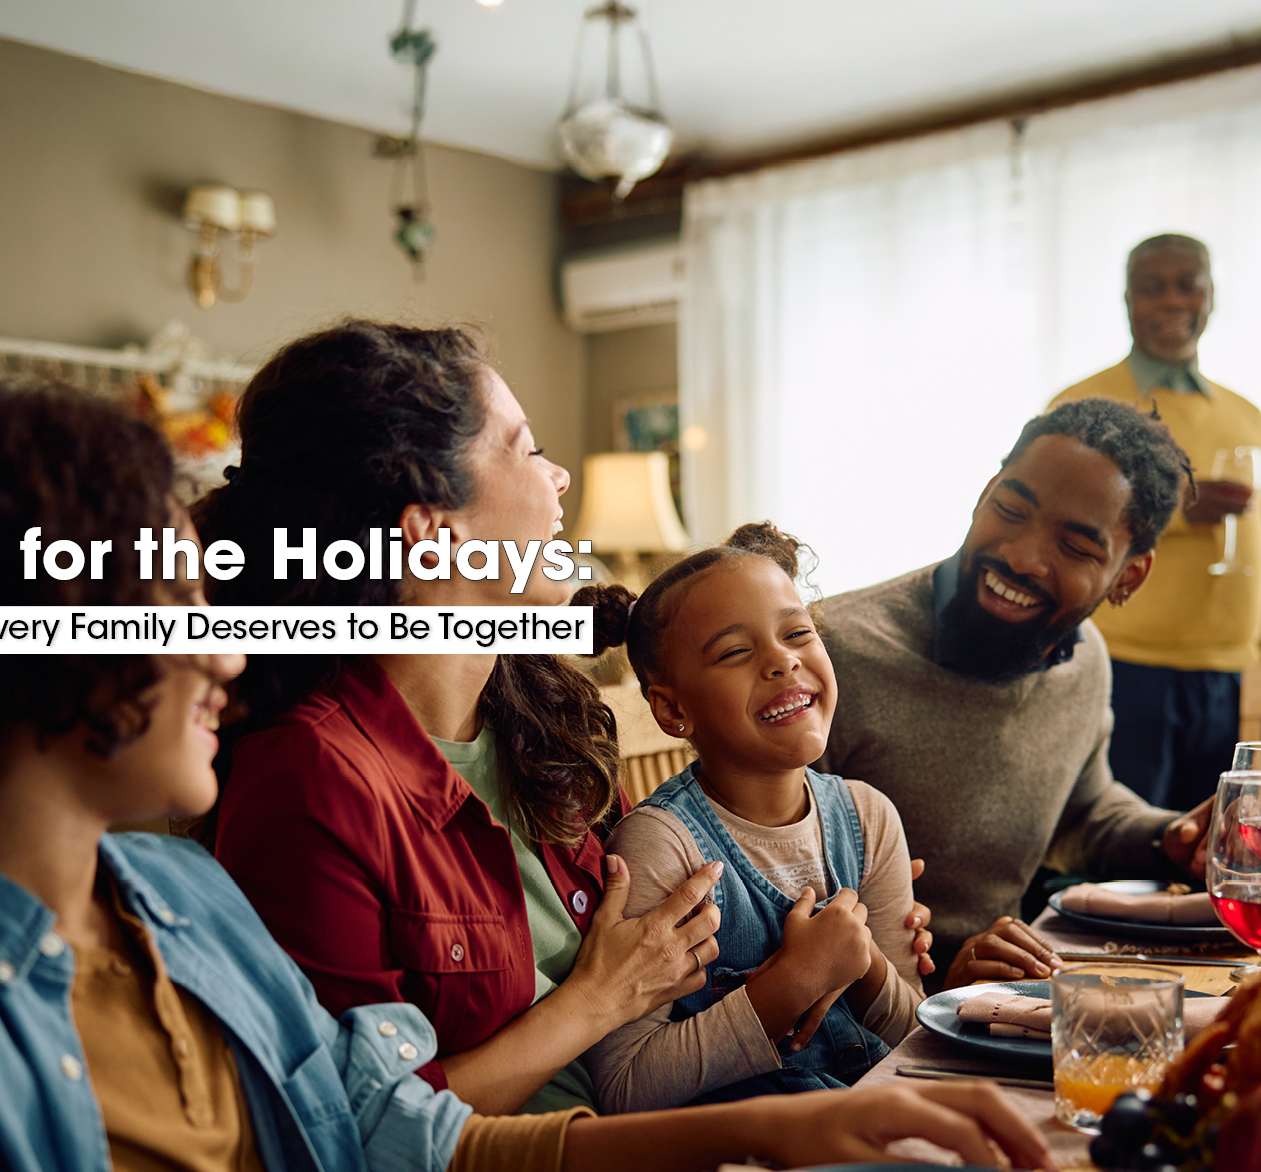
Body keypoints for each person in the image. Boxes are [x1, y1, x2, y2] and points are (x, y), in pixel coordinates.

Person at [0, 370, 1053, 1172]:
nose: (227, 646)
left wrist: (779, 1128)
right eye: (176, 607)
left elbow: (414, 1156)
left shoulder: (175, 904)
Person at [200, 322, 931, 1120]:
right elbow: (359, 1141)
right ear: (432, 530)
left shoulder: (539, 713)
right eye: (524, 449)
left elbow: (666, 934)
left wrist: (839, 929)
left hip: (651, 1159)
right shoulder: (307, 780)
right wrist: (598, 1001)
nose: (557, 478)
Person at [822, 398, 1213, 992]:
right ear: (984, 493)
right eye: (1010, 509)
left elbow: (1081, 813)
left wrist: (1172, 838)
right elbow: (767, 900)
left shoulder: (1085, 660)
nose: (1022, 556)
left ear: (1128, 577)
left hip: (997, 996)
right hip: (864, 1022)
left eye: (1077, 548)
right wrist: (928, 982)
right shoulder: (829, 653)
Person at [581, 524, 924, 1113]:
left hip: (872, 1138)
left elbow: (915, 1038)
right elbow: (623, 1088)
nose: (782, 661)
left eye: (797, 633)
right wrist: (788, 986)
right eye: (736, 652)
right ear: (671, 708)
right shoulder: (663, 848)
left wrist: (862, 962)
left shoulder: (871, 818)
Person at [1050, 233, 1261, 811]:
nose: (1171, 301)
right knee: (1122, 861)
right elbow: (1056, 530)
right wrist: (1177, 511)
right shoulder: (1082, 404)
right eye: (1152, 288)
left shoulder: (1245, 413)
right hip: (1123, 671)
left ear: (1212, 296)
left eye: (1189, 285)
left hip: (1238, 680)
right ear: (1127, 300)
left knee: (1237, 858)